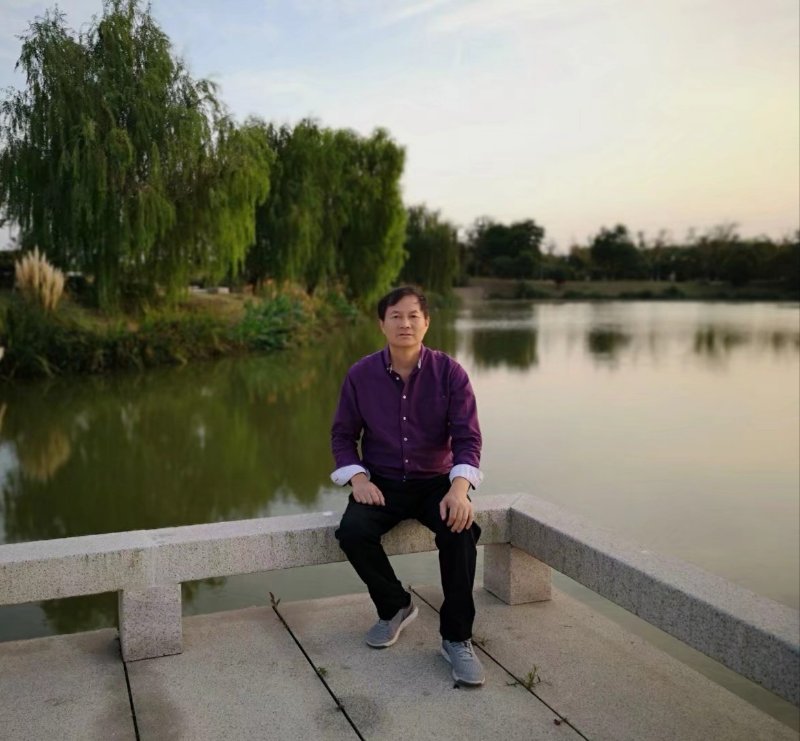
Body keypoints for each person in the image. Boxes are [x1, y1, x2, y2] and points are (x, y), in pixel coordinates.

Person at [331, 285, 485, 686]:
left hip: (437, 482)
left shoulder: (449, 373)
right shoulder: (361, 375)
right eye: (396, 316)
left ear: (427, 323)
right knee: (353, 532)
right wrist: (359, 479)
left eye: (414, 315)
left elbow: (468, 438)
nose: (405, 323)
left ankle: (456, 638)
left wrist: (459, 490)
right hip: (381, 482)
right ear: (382, 324)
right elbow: (343, 435)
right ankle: (395, 606)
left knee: (460, 532)